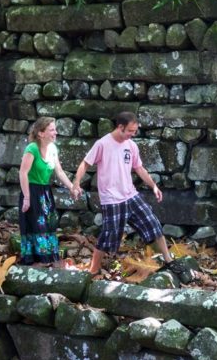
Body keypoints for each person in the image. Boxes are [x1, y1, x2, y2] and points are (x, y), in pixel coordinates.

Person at [73, 111, 178, 275]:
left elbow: (139, 168)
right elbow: (85, 164)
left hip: (131, 195)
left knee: (153, 223)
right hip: (111, 199)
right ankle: (93, 270)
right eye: (130, 130)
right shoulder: (103, 144)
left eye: (135, 131)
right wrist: (76, 182)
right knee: (109, 235)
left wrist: (154, 186)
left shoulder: (131, 145)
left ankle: (168, 261)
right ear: (120, 127)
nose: (133, 134)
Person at [18, 117, 81, 265]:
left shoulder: (53, 149)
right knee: (37, 226)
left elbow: (59, 172)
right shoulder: (32, 148)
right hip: (31, 192)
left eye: (55, 129)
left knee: (49, 225)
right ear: (41, 133)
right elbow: (23, 173)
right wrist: (26, 197)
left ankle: (48, 260)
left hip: (45, 193)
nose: (56, 133)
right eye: (52, 129)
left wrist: (72, 187)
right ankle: (36, 260)